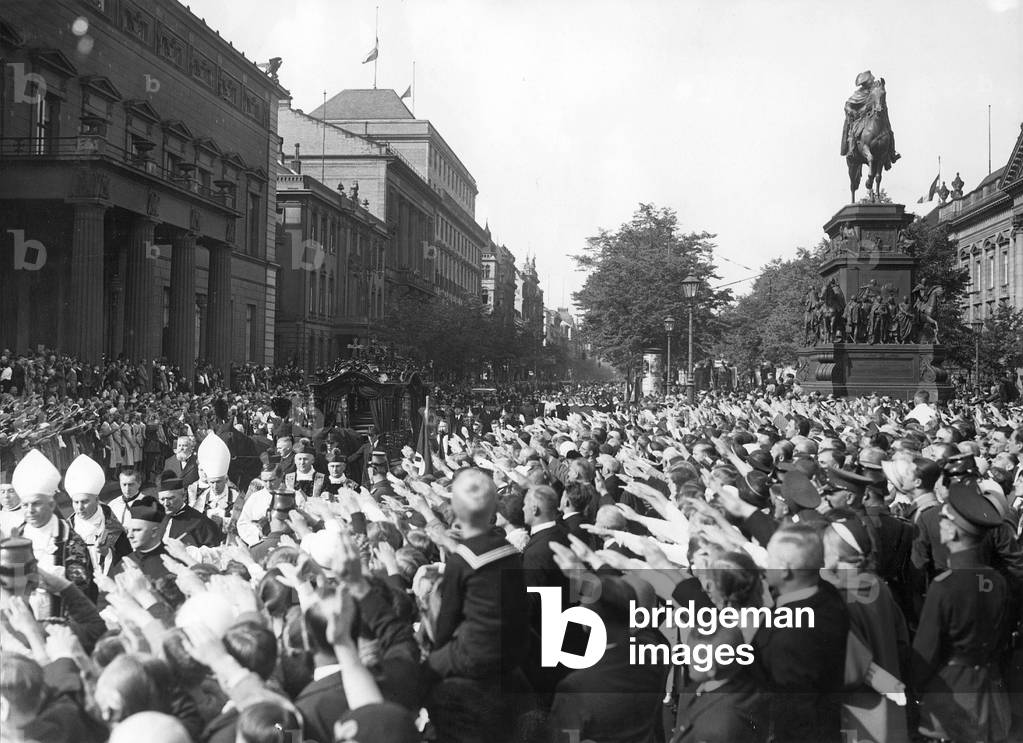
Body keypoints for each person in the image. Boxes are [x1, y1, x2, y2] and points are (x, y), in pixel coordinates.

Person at [912, 481, 1013, 742]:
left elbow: (926, 651)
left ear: (954, 533)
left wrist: (914, 689)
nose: (940, 523)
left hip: (951, 688)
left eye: (944, 519)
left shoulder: (944, 585)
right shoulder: (996, 580)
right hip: (988, 685)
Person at [755, 524, 849, 743]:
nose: (765, 566)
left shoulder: (790, 636)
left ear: (785, 570)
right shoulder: (828, 598)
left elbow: (797, 714)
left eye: (770, 560)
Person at [65, 454, 131, 580]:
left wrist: (107, 554)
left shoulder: (112, 526)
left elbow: (127, 559)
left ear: (97, 499)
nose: (80, 508)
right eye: (76, 502)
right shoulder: (68, 528)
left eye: (85, 502)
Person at [842, 70, 900, 163]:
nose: (872, 80)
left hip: (875, 113)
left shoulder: (876, 88)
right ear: (865, 83)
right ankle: (851, 151)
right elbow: (848, 105)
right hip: (860, 117)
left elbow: (880, 96)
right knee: (853, 132)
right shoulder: (858, 94)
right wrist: (852, 112)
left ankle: (892, 153)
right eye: (870, 80)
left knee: (889, 131)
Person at [156, 473, 222, 548]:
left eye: (170, 498)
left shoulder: (201, 523)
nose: (166, 504)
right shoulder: (157, 520)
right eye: (162, 499)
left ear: (183, 496)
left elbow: (214, 553)